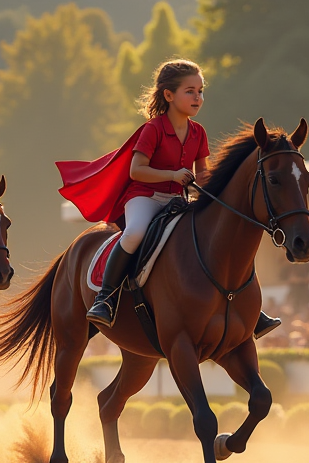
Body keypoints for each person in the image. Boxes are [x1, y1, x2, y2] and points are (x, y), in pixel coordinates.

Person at [58, 59, 280, 336]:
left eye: (200, 91)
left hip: (178, 201)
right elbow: (136, 171)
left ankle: (246, 309)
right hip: (145, 197)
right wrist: (173, 176)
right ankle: (106, 298)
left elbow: (204, 173)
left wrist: (219, 192)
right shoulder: (153, 129)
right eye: (190, 91)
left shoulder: (199, 132)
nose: (198, 97)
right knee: (135, 233)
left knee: (216, 235)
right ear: (168, 95)